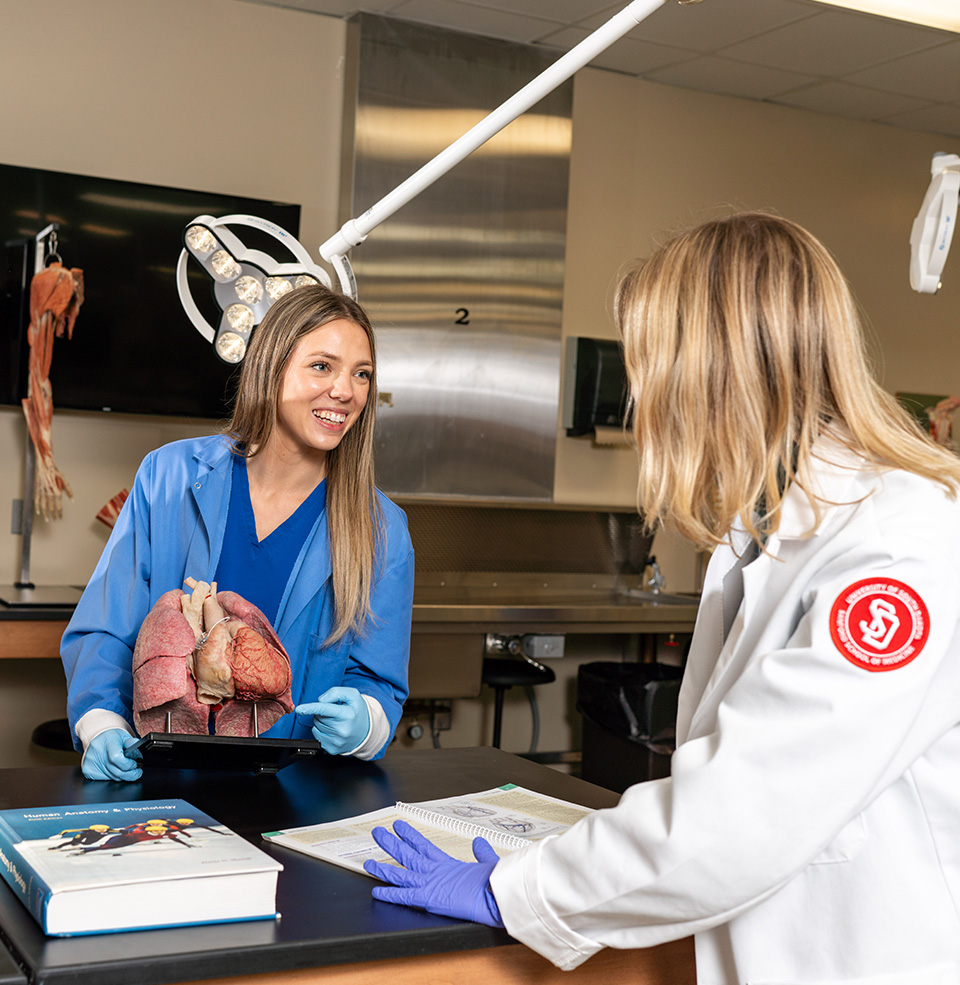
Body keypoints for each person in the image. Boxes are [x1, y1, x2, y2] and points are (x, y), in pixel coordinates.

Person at [364, 212, 960, 984]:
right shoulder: (764, 536)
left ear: (709, 370)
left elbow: (740, 815)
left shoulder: (895, 548)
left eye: (648, 365)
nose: (639, 398)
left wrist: (522, 887)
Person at [61, 284, 414, 781]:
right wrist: (100, 724)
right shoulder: (170, 478)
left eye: (362, 375)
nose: (345, 391)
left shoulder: (380, 529)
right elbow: (105, 626)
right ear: (271, 367)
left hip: (296, 793)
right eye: (322, 366)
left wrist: (367, 724)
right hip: (162, 777)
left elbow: (377, 681)